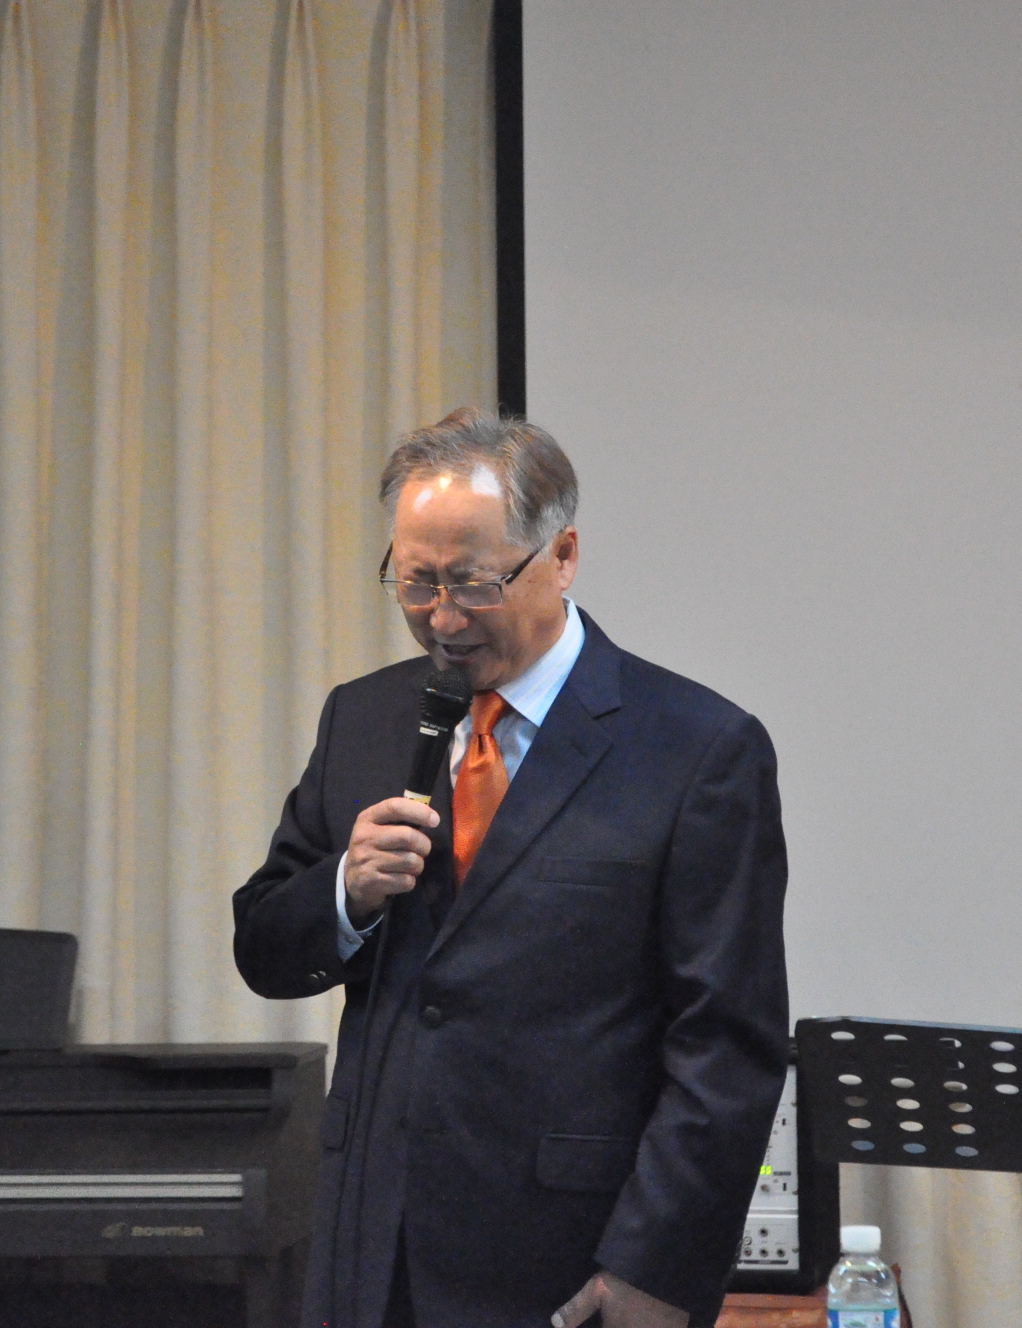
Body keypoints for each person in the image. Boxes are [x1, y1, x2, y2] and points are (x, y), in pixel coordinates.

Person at [233, 408, 788, 1328]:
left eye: (473, 583)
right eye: (416, 582)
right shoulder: (363, 719)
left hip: (569, 1261)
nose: (442, 618)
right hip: (370, 1250)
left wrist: (655, 1269)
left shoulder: (696, 749)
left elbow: (726, 1046)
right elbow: (264, 947)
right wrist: (346, 892)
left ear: (561, 557)